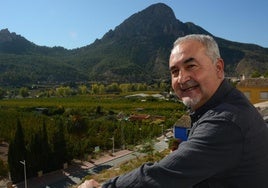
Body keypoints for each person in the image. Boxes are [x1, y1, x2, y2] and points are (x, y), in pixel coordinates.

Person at [79, 34, 268, 188]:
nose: (182, 78)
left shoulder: (225, 122)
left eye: (191, 66)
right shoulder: (224, 105)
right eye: (175, 71)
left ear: (218, 68)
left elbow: (161, 177)